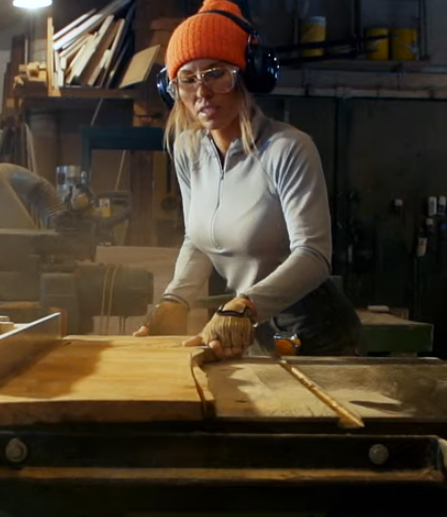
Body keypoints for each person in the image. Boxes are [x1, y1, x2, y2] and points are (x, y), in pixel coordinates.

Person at [134, 0, 363, 359]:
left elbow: (314, 255)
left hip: (317, 329)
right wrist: (175, 300)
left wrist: (246, 306)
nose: (201, 92)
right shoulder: (187, 149)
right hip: (254, 321)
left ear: (248, 74)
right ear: (172, 89)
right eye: (187, 79)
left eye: (216, 74)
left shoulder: (288, 148)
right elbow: (197, 240)